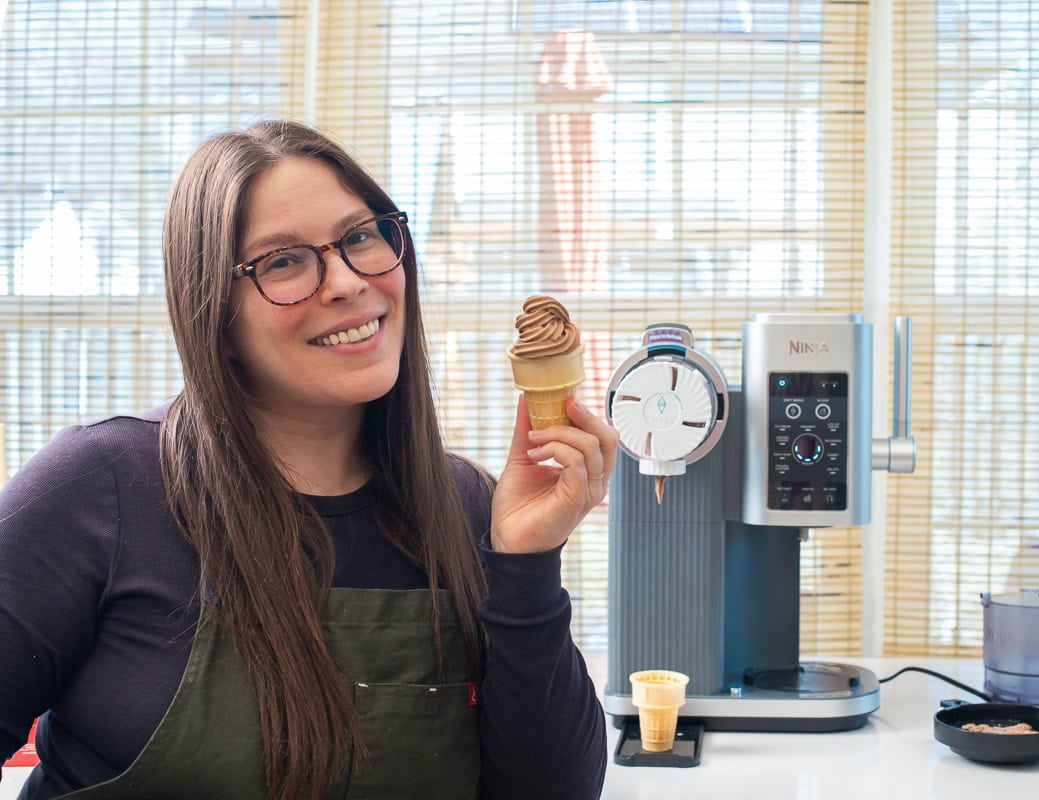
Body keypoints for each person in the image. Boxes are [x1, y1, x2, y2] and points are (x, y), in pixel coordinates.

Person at [0, 119, 618, 799]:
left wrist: (525, 561)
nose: (348, 282)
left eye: (359, 237)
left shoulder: (467, 506)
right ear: (216, 313)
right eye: (284, 261)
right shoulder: (99, 491)